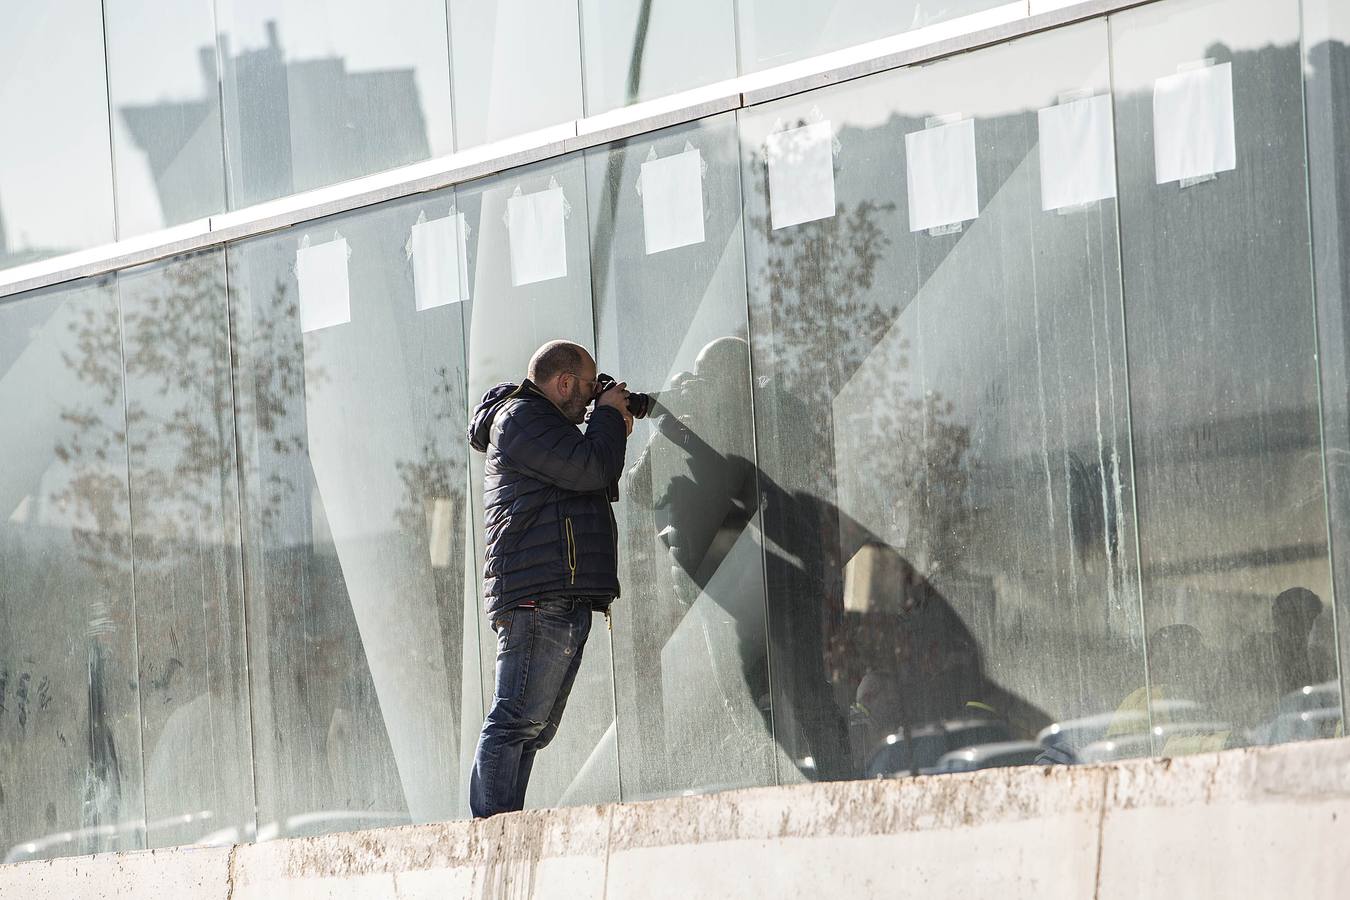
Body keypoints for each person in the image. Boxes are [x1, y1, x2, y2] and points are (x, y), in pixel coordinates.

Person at [466, 340, 633, 817]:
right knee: (515, 720)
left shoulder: (541, 426)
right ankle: (490, 834)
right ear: (563, 383)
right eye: (586, 389)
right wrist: (605, 419)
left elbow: (587, 471)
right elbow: (592, 468)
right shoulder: (521, 418)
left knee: (534, 729)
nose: (588, 402)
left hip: (558, 594)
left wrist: (608, 420)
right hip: (539, 598)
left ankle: (503, 825)